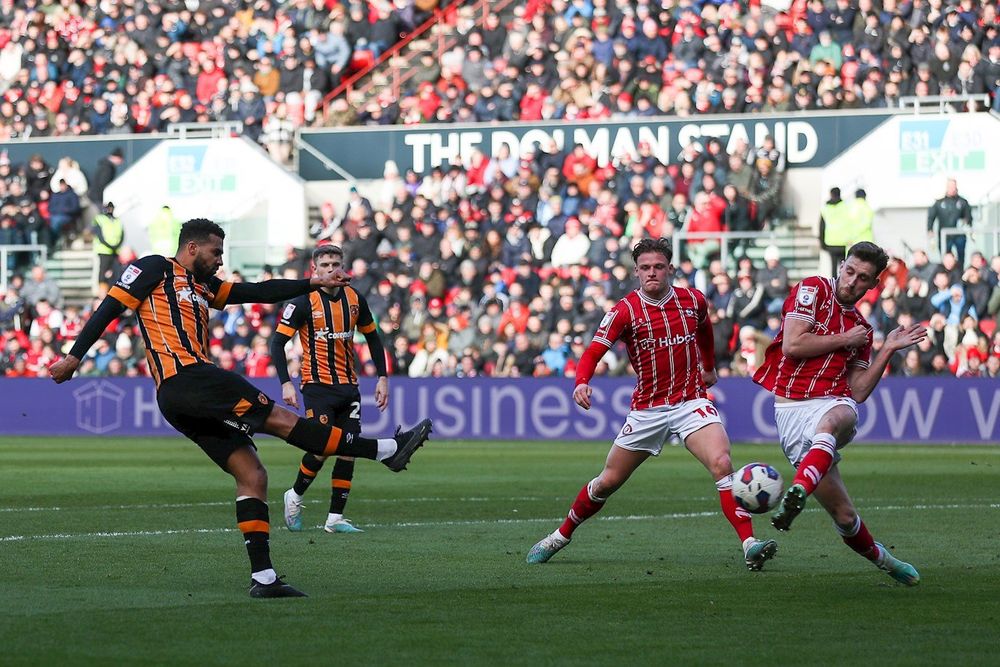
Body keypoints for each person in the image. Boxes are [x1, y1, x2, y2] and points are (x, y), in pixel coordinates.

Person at [49, 219, 432, 598]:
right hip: (188, 378)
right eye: (216, 252)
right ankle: (387, 450)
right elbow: (108, 309)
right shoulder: (155, 268)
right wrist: (73, 357)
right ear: (193, 248)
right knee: (283, 421)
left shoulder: (205, 286)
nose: (220, 260)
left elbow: (257, 291)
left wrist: (311, 283)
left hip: (181, 398)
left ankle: (263, 578)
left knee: (253, 474)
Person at [526, 238, 778, 571]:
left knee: (721, 462)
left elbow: (704, 330)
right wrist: (581, 382)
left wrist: (708, 366)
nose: (652, 273)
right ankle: (560, 535)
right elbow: (592, 352)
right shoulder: (625, 310)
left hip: (691, 400)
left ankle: (749, 544)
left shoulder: (692, 300)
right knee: (607, 482)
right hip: (647, 409)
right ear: (636, 272)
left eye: (658, 267)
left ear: (670, 269)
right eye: (645, 268)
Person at [752, 241, 925, 586]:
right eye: (849, 271)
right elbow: (793, 345)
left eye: (863, 278)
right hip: (791, 409)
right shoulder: (813, 290)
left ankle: (797, 491)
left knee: (836, 417)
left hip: (832, 402)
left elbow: (858, 391)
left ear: (873, 285)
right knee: (846, 518)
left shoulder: (863, 329)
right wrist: (845, 338)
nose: (852, 282)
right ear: (841, 265)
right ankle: (886, 561)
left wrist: (887, 349)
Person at [272, 245, 391, 534]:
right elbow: (277, 343)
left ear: (343, 266)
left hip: (349, 386)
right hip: (317, 386)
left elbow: (373, 339)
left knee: (348, 449)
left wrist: (383, 377)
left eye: (335, 263)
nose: (330, 269)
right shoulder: (303, 301)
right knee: (322, 447)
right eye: (324, 264)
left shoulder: (354, 298)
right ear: (314, 269)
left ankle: (334, 518)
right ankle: (295, 495)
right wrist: (286, 382)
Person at [927, 178, 973, 265]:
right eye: (950, 186)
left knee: (961, 257)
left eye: (953, 186)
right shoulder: (939, 202)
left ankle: (959, 275)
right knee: (945, 256)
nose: (952, 189)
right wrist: (930, 229)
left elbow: (969, 217)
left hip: (959, 234)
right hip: (945, 235)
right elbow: (931, 217)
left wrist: (967, 223)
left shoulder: (963, 202)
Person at [91, 202, 124, 286]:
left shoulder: (117, 220)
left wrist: (116, 246)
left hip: (115, 251)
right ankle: (102, 293)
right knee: (103, 273)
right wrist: (110, 246)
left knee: (116, 272)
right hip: (104, 250)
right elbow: (100, 235)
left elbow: (122, 234)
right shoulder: (99, 219)